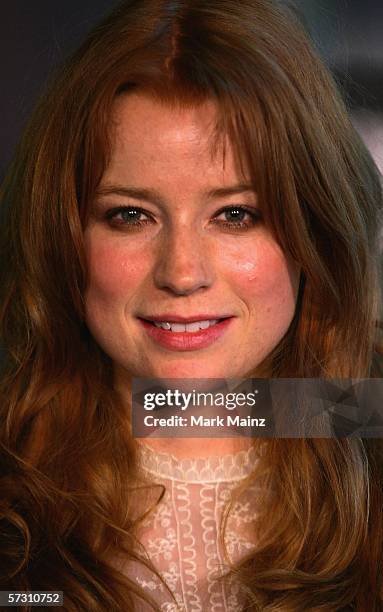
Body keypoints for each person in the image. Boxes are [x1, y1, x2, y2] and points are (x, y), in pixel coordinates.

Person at [0, 0, 382, 610]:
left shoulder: (369, 441)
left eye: (236, 214)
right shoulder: (14, 482)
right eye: (131, 215)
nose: (182, 272)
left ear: (317, 233)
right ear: (63, 238)